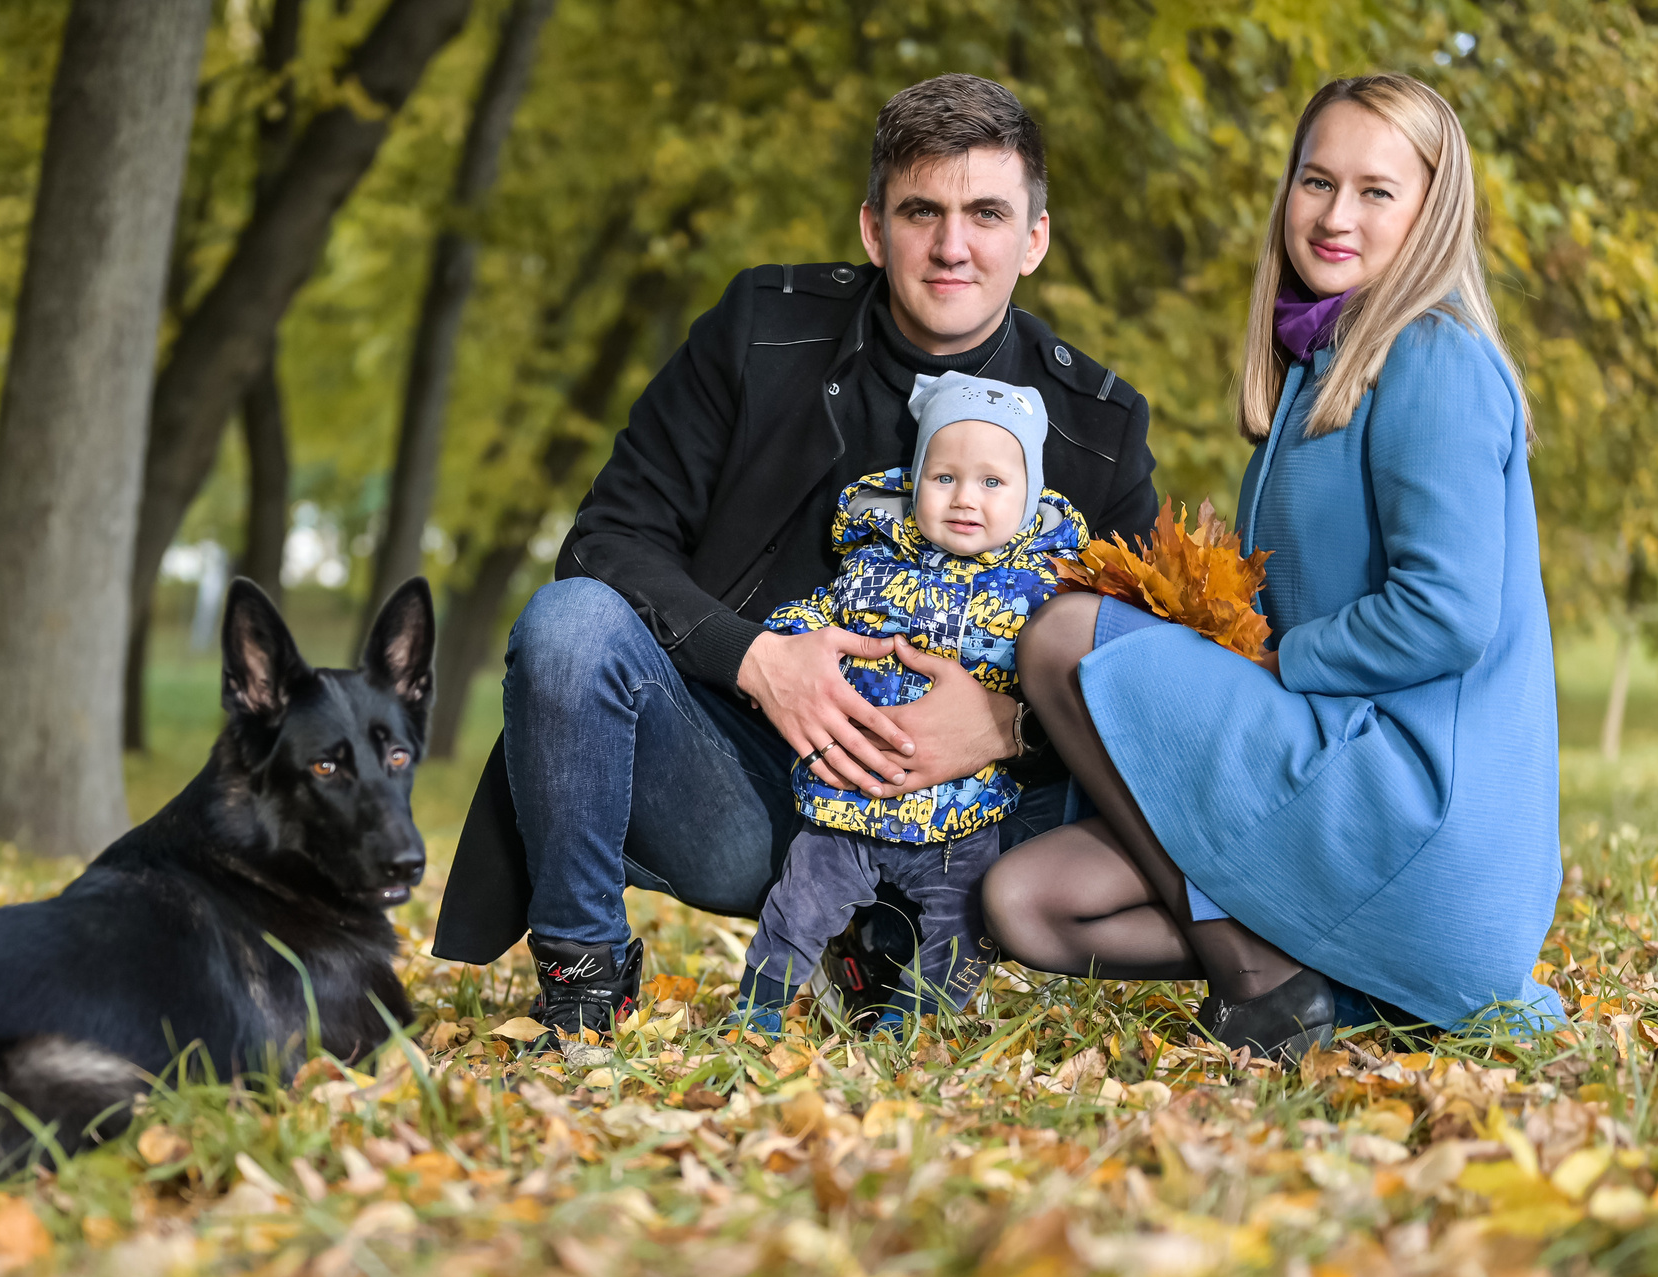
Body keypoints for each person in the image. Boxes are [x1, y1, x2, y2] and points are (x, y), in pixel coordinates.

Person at [431, 74, 1159, 1042]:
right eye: (922, 211)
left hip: (975, 821)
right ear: (873, 229)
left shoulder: (1099, 428)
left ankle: (886, 939)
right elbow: (608, 539)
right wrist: (755, 660)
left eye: (986, 213)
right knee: (567, 625)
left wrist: (1008, 727)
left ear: (1033, 238)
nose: (952, 245)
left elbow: (1146, 678)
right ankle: (584, 974)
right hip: (748, 788)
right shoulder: (760, 330)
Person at [982, 72, 1565, 1058]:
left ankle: (1260, 986)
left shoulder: (1433, 356)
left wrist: (1273, 663)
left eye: (1376, 191)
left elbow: (1446, 614)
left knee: (1065, 638)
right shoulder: (1315, 373)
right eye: (1316, 181)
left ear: (1431, 211)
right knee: (1027, 902)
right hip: (1334, 763)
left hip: (1416, 803)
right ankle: (1333, 984)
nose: (1335, 216)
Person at [737, 378, 1083, 1032]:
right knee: (797, 907)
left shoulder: (1044, 592)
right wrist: (785, 641)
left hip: (963, 812)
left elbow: (1063, 681)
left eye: (992, 482)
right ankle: (757, 1014)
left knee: (967, 928)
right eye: (943, 477)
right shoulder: (874, 564)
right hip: (849, 796)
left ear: (1030, 496)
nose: (965, 498)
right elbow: (822, 614)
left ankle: (908, 1030)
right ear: (915, 480)